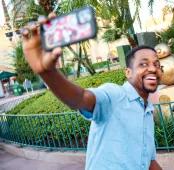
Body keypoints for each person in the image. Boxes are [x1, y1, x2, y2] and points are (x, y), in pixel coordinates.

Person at [21, 13, 162, 170]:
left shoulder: (147, 110)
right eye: (143, 64)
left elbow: (148, 160)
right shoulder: (114, 95)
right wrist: (48, 73)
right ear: (128, 72)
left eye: (157, 64)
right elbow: (81, 98)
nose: (152, 68)